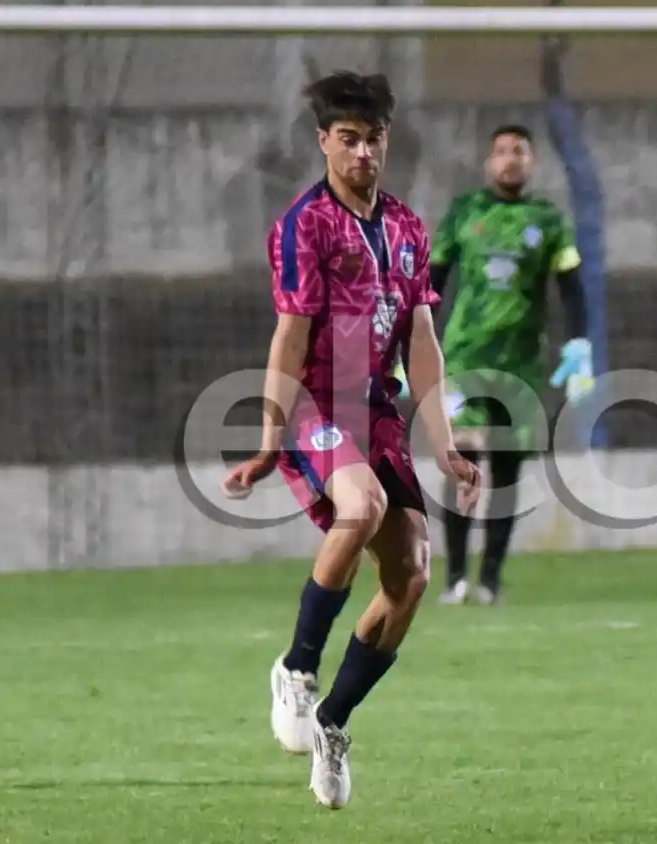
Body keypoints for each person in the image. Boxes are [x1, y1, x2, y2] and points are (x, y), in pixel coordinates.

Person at [222, 71, 481, 810]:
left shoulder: (406, 226)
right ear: (323, 143)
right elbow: (289, 336)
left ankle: (333, 719)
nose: (361, 152)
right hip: (315, 402)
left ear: (386, 141)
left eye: (372, 140)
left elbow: (422, 338)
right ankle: (297, 669)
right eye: (347, 140)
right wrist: (272, 437)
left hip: (378, 411)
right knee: (359, 506)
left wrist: (447, 441)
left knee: (412, 578)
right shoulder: (303, 225)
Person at [423, 123, 591, 606]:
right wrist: (408, 346)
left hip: (521, 365)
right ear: (488, 162)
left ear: (531, 161)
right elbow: (432, 280)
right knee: (464, 461)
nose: (509, 159)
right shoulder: (465, 212)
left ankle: (491, 580)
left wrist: (578, 345)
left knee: (509, 470)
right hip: (464, 357)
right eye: (500, 151)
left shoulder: (548, 220)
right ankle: (455, 577)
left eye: (518, 151)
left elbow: (571, 287)